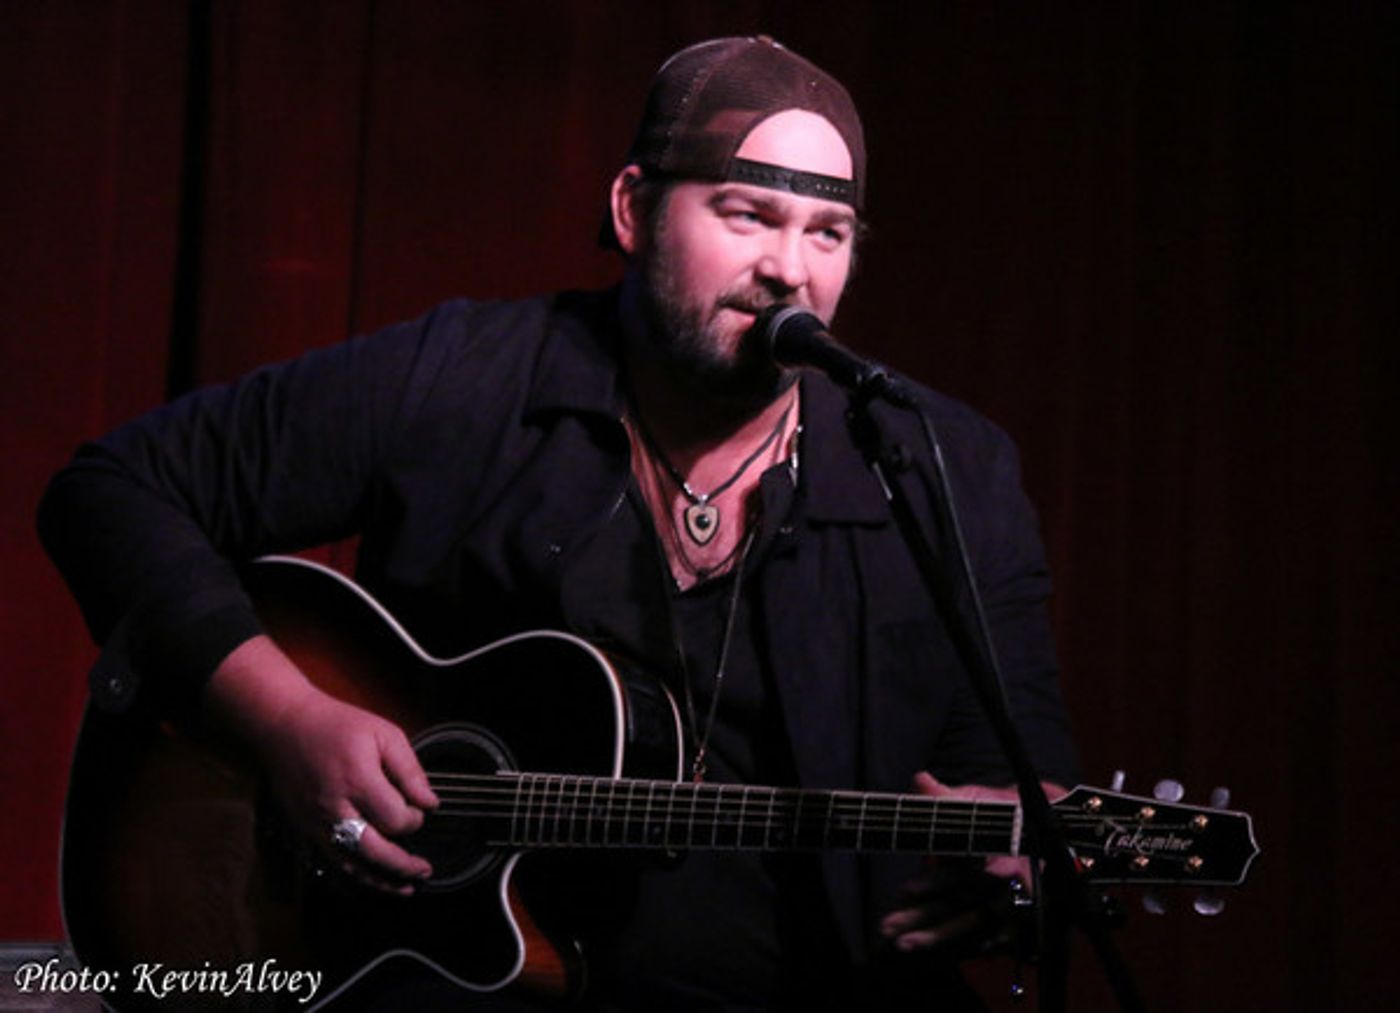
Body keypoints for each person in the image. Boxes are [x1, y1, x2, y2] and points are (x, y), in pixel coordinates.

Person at [40, 36, 1078, 1011]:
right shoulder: (461, 381)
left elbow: (1014, 776)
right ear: (632, 209)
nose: (789, 270)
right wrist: (288, 721)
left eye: (827, 233)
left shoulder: (948, 467)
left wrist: (1017, 870)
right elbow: (109, 490)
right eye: (746, 214)